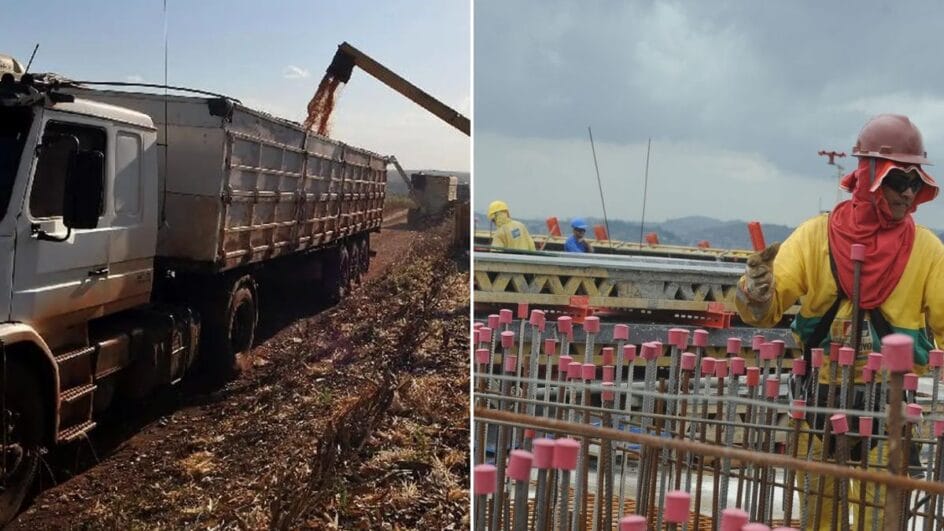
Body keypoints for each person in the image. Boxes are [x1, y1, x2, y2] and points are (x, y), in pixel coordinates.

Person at [735, 114, 944, 530]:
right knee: (820, 517)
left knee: (880, 521)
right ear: (869, 177)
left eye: (914, 182)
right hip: (819, 398)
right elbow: (765, 310)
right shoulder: (815, 236)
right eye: (897, 180)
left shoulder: (925, 249)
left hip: (888, 408)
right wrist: (755, 290)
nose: (908, 193)